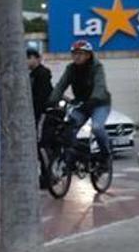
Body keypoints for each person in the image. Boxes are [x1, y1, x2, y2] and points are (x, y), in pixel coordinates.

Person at [48, 40, 112, 169]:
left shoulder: (97, 67)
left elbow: (100, 85)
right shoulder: (71, 68)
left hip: (99, 103)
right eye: (74, 54)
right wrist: (51, 100)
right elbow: (61, 85)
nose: (77, 56)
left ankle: (106, 156)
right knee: (68, 128)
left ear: (88, 55)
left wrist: (94, 99)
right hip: (81, 103)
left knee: (97, 128)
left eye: (81, 53)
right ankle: (74, 156)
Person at [27, 47, 53, 123]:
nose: (26, 61)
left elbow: (44, 93)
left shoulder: (42, 73)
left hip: (41, 110)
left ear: (37, 59)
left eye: (29, 58)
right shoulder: (31, 74)